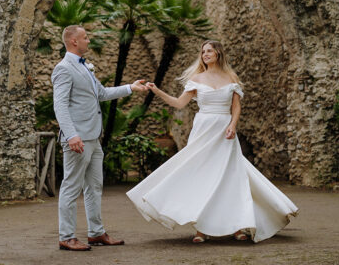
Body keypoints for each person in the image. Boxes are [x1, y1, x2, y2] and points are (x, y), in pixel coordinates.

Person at [126, 40, 298, 243]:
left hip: (225, 130)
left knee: (230, 177)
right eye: (203, 51)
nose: (205, 54)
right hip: (203, 129)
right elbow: (179, 103)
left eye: (209, 51)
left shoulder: (231, 77)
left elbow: (236, 107)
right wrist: (157, 91)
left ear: (218, 53)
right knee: (202, 177)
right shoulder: (196, 78)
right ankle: (200, 228)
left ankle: (238, 225)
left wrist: (233, 125)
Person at [52, 25, 149, 251]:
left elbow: (102, 94)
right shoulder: (64, 68)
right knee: (71, 187)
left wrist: (130, 88)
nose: (89, 40)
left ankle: (96, 233)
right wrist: (71, 134)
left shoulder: (85, 67)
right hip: (77, 139)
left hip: (94, 137)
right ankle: (66, 236)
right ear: (74, 41)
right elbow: (60, 105)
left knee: (94, 186)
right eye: (85, 37)